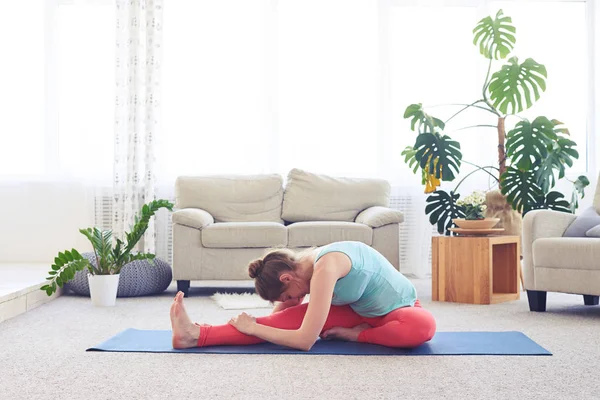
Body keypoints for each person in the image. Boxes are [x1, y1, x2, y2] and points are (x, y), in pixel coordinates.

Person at [170, 241, 436, 350]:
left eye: (285, 297)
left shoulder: (326, 267)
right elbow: (283, 320)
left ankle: (359, 334)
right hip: (358, 311)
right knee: (275, 326)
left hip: (399, 309)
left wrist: (254, 328)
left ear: (287, 278)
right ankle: (195, 334)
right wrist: (259, 325)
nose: (290, 302)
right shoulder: (300, 271)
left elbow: (304, 341)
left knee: (423, 326)